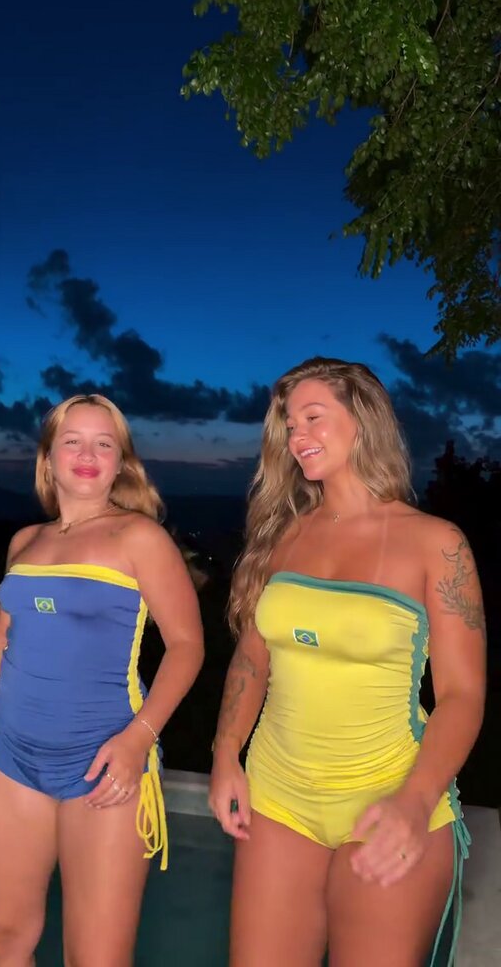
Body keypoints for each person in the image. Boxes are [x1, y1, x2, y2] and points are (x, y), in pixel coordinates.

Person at [209, 357, 485, 967]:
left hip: (390, 793)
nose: (297, 436)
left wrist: (415, 802)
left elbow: (463, 695)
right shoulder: (281, 537)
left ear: (364, 420)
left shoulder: (436, 543)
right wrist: (225, 753)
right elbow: (252, 660)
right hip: (278, 799)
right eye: (289, 424)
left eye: (313, 417)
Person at [0, 394, 204, 967]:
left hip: (106, 760)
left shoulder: (140, 538)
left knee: (95, 958)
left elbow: (187, 646)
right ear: (47, 458)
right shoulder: (25, 542)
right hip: (10, 757)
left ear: (121, 462)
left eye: (104, 444)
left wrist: (138, 740)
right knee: (1, 943)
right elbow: (4, 634)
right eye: (72, 441)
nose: (87, 455)